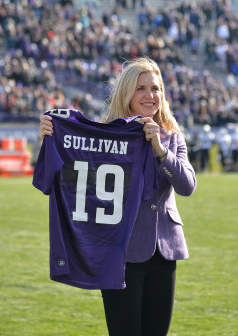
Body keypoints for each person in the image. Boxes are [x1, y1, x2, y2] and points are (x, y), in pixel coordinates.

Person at [39, 57, 196, 336]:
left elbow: (187, 186)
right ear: (126, 93)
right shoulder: (105, 136)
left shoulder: (171, 136)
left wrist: (160, 149)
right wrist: (53, 140)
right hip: (121, 251)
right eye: (141, 89)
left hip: (164, 251)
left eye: (155, 88)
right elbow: (72, 182)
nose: (150, 95)